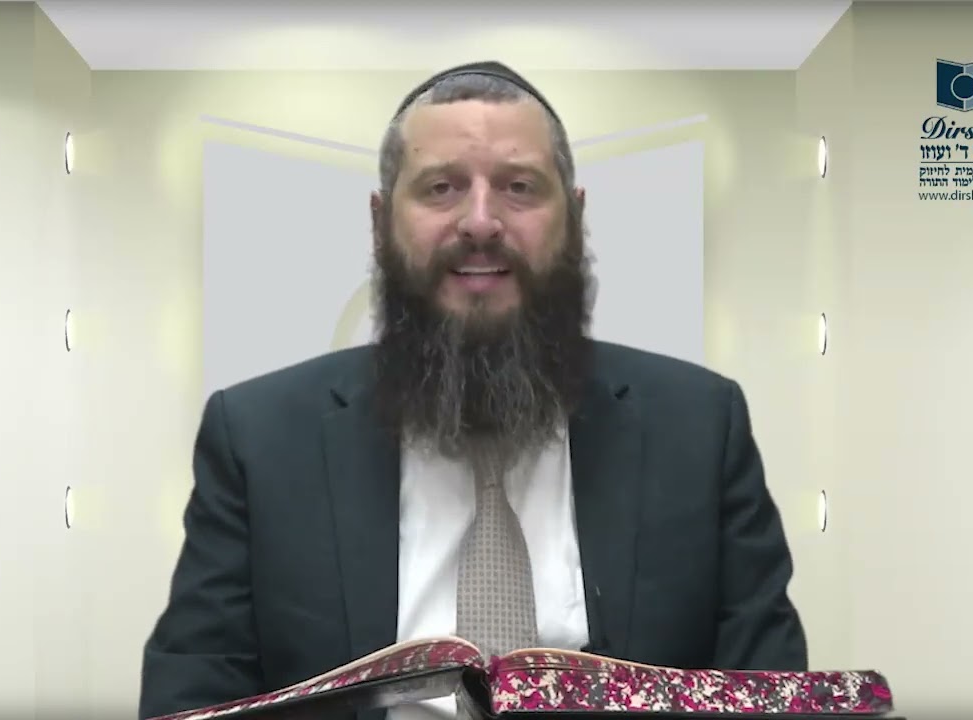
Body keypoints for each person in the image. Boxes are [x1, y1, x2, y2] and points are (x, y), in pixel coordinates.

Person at [138, 61, 807, 720]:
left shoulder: (699, 427)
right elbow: (194, 700)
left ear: (574, 219)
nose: (481, 222)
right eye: (440, 188)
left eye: (519, 187)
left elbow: (771, 696)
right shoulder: (257, 439)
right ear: (380, 222)